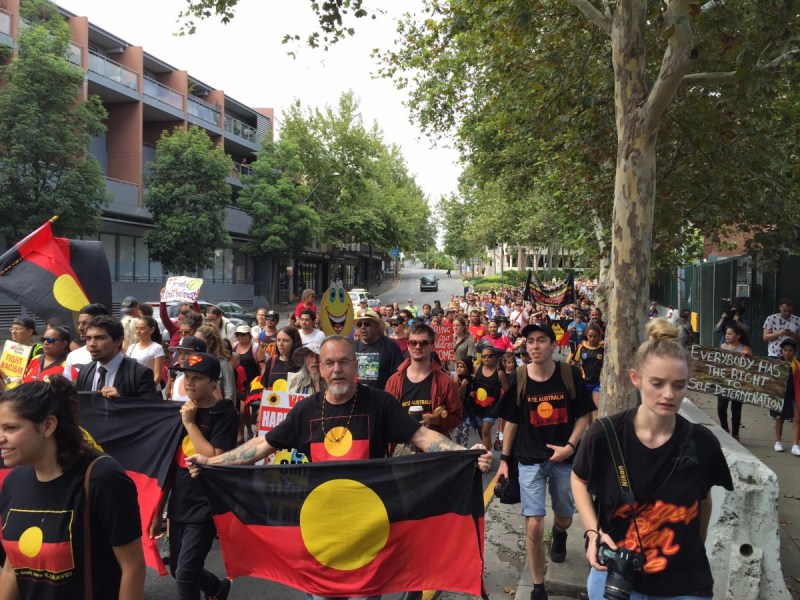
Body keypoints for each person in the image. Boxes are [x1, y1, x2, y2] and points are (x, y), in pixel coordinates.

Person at [187, 336, 492, 600]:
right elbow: (261, 447)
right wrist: (212, 462)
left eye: (344, 362)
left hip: (369, 530)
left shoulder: (379, 403)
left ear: (355, 367)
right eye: (329, 363)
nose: (337, 370)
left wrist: (464, 452)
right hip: (322, 532)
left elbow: (421, 436)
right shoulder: (306, 410)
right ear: (318, 368)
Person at [571, 319, 734, 600]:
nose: (669, 395)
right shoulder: (604, 435)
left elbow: (702, 499)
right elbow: (578, 478)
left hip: (684, 584)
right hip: (616, 579)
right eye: (657, 384)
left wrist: (696, 546)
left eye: (679, 385)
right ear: (636, 378)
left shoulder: (702, 443)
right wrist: (592, 531)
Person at [0, 377, 145, 599]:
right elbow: (13, 565)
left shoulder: (102, 477)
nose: (1, 438)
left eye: (10, 428)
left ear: (48, 425)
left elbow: (132, 567)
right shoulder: (13, 481)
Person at [495, 322, 596, 600]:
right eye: (530, 342)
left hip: (564, 459)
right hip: (529, 460)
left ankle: (560, 533)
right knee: (533, 523)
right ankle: (538, 586)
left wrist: (570, 446)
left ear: (553, 345)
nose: (535, 346)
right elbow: (512, 422)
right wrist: (504, 459)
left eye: (541, 340)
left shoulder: (568, 373)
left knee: (564, 516)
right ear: (525, 347)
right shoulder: (520, 376)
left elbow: (583, 416)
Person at [149, 353, 236, 600]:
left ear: (213, 383)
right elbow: (167, 468)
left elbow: (215, 457)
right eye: (186, 377)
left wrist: (190, 423)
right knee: (178, 569)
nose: (189, 383)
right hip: (179, 504)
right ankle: (217, 588)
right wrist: (158, 515)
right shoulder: (178, 412)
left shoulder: (224, 413)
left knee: (186, 573)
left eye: (197, 378)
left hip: (207, 504)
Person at [385, 323, 463, 438]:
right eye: (413, 343)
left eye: (423, 343)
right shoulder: (394, 381)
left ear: (432, 346)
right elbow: (386, 417)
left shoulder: (445, 382)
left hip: (434, 447)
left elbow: (457, 418)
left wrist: (434, 419)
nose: (417, 347)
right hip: (402, 447)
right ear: (407, 345)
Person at [74, 316, 162, 401]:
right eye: (88, 338)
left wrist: (121, 402)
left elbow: (151, 411)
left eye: (100, 338)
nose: (92, 344)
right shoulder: (85, 372)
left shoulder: (140, 373)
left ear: (118, 341)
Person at [716, 323, 752, 441]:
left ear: (738, 336)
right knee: (721, 407)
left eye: (730, 334)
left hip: (738, 383)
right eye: (726, 334)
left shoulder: (745, 349)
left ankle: (735, 434)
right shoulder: (722, 346)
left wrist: (747, 356)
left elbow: (751, 365)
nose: (727, 336)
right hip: (724, 381)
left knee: (736, 409)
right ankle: (725, 428)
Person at [352, 310, 404, 390]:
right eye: (359, 324)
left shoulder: (390, 345)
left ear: (376, 325)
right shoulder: (353, 346)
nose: (363, 327)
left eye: (367, 324)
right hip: (359, 397)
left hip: (382, 398)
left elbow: (398, 374)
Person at [472, 345, 508, 452]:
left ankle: (486, 456)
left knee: (486, 431)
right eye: (484, 356)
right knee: (481, 431)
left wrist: (504, 407)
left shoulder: (500, 374)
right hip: (477, 406)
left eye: (489, 356)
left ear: (494, 358)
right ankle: (487, 446)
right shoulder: (477, 368)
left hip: (491, 408)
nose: (486, 358)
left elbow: (507, 392)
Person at [63, 303, 110, 381]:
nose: (80, 328)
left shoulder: (123, 359)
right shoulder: (73, 356)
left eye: (85, 323)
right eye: (79, 323)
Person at [569, 323, 604, 422]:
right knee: (588, 409)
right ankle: (590, 430)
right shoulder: (581, 348)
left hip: (597, 383)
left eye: (595, 336)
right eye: (590, 336)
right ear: (587, 335)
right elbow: (574, 364)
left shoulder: (603, 349)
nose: (592, 338)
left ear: (599, 337)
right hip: (584, 383)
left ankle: (594, 430)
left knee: (595, 408)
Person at [195, 325, 237, 407]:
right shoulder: (193, 362)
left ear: (210, 343)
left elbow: (230, 395)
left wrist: (224, 414)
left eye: (199, 341)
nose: (196, 344)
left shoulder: (224, 365)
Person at [771, 338, 800, 454]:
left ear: (794, 352)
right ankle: (778, 442)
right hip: (780, 394)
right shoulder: (776, 364)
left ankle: (795, 445)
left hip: (795, 395)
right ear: (781, 351)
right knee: (780, 418)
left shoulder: (797, 365)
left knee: (797, 419)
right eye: (785, 350)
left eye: (790, 350)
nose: (788, 353)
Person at [126, 315, 166, 391]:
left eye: (142, 329)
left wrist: (147, 390)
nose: (138, 331)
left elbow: (157, 375)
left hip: (150, 390)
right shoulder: (132, 347)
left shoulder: (156, 348)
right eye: (136, 328)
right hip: (133, 389)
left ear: (152, 330)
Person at [259, 326, 303, 390]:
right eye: (278, 340)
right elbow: (265, 388)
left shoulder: (302, 363)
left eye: (285, 341)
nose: (280, 344)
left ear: (294, 342)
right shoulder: (271, 361)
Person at [166, 336, 208, 402]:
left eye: (187, 353)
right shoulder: (177, 379)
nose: (182, 357)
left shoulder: (207, 380)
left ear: (200, 355)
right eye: (180, 353)